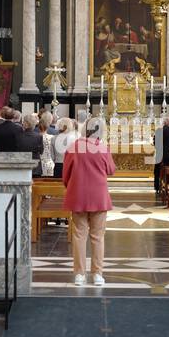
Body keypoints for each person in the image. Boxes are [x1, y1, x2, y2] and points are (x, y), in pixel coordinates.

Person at [62, 116, 116, 286]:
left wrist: (72, 185)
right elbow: (111, 170)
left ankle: (79, 274)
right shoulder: (102, 147)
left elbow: (66, 175)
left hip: (78, 194)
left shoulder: (73, 147)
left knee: (79, 235)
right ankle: (97, 274)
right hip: (98, 196)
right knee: (98, 236)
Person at [152, 115, 169, 194]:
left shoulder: (159, 130)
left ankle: (157, 186)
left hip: (160, 155)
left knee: (158, 171)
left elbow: (155, 144)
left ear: (164, 123)